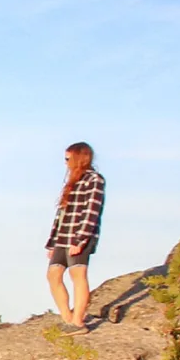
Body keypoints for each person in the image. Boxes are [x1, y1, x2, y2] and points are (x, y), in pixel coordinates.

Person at [45, 141, 106, 332]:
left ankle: (78, 322)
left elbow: (91, 211)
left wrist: (81, 240)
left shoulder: (94, 180)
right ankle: (67, 317)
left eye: (68, 158)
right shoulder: (72, 181)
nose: (65, 162)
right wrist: (52, 242)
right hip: (62, 237)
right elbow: (61, 214)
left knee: (77, 275)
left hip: (79, 236)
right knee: (53, 275)